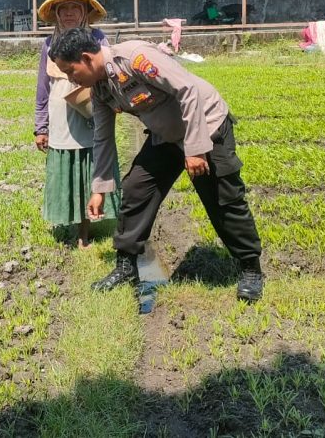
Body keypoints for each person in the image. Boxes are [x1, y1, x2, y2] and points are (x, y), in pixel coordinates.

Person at [48, 27, 265, 302]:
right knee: (137, 189)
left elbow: (188, 89)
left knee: (223, 198)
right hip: (166, 135)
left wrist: (196, 149)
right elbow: (102, 138)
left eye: (70, 71)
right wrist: (99, 189)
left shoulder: (135, 58)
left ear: (87, 58)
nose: (70, 79)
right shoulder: (101, 89)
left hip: (206, 126)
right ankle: (126, 266)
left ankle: (250, 268)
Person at [34, 0, 121, 247]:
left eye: (75, 8)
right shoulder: (49, 44)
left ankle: (84, 230)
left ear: (84, 12)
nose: (69, 13)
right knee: (68, 165)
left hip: (93, 112)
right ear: (57, 14)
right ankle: (73, 224)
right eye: (64, 9)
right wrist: (41, 126)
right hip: (61, 118)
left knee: (90, 163)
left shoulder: (97, 38)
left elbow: (109, 71)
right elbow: (42, 88)